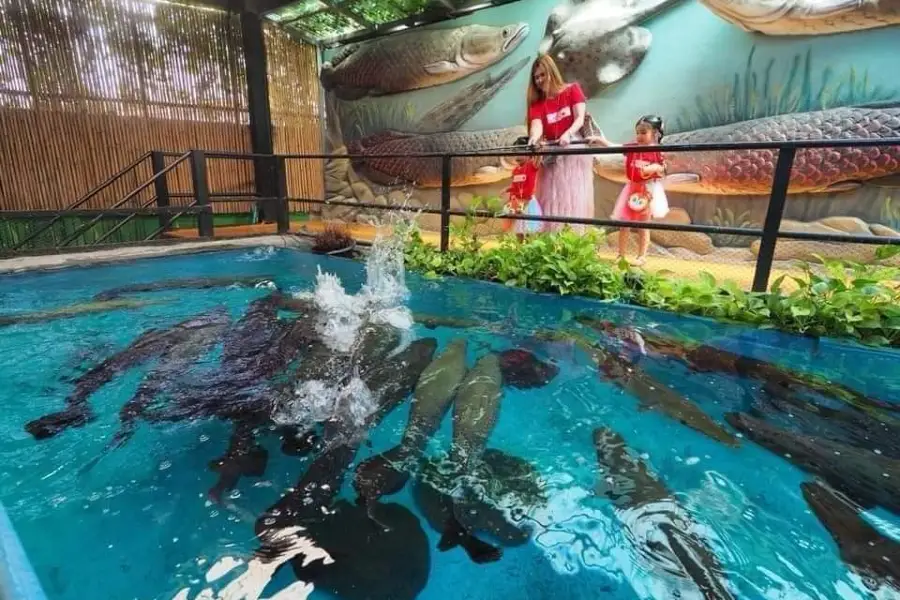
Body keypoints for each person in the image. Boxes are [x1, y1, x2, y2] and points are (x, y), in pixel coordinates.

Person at [526, 54, 601, 234]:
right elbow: (537, 126)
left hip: (573, 150)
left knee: (574, 194)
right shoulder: (537, 105)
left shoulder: (572, 90)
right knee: (552, 195)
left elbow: (580, 118)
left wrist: (568, 134)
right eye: (536, 77)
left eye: (542, 75)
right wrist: (533, 139)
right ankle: (552, 235)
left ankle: (574, 235)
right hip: (552, 153)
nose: (539, 80)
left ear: (551, 72)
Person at [606, 115, 669, 265]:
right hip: (632, 188)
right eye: (638, 132)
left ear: (655, 133)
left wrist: (654, 168)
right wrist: (601, 142)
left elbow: (663, 169)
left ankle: (642, 256)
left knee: (643, 225)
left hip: (648, 189)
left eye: (643, 132)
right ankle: (620, 255)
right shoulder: (633, 147)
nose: (639, 136)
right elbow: (615, 147)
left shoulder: (657, 151)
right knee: (625, 223)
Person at [502, 137, 543, 242]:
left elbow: (538, 158)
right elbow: (515, 185)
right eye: (516, 153)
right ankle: (519, 248)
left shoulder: (531, 165)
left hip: (528, 202)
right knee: (518, 228)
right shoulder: (515, 170)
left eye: (520, 152)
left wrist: (539, 148)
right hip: (517, 202)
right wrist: (508, 189)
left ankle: (529, 247)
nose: (517, 156)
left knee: (529, 228)